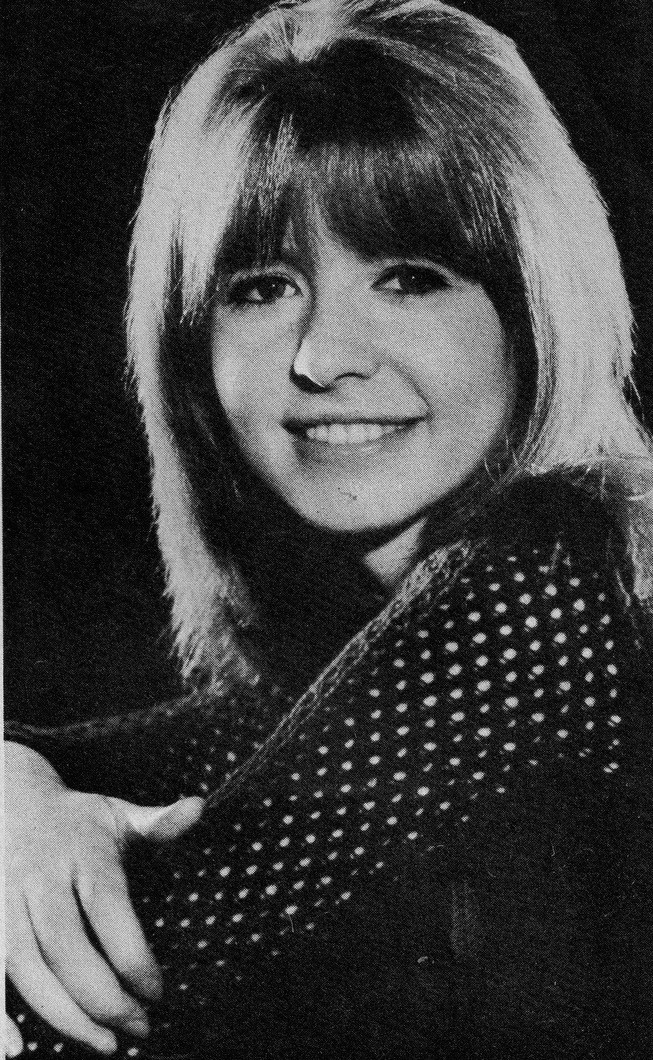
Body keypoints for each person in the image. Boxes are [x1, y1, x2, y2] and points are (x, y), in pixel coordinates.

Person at [6, 0, 653, 1056]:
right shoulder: (357, 641)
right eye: (262, 287)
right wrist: (17, 798)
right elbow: (132, 751)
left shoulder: (549, 571)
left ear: (532, 309)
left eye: (408, 279)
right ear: (189, 348)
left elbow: (108, 993)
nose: (322, 356)